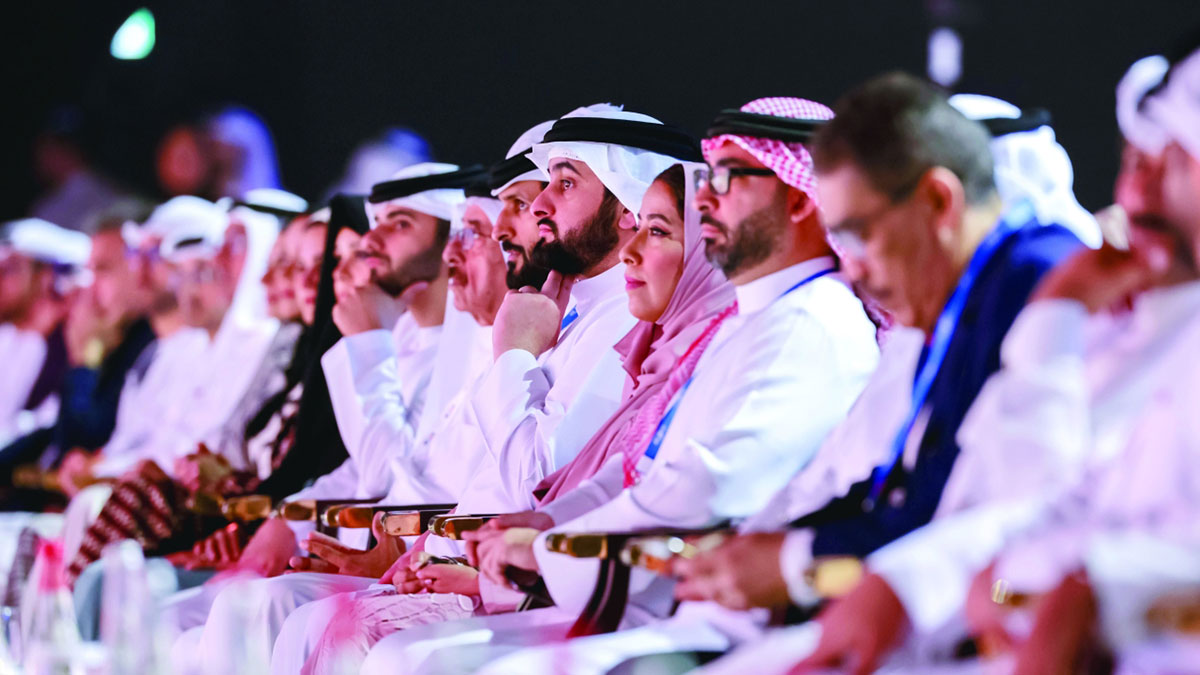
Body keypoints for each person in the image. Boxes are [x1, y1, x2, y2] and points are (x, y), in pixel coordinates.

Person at [411, 97, 879, 675]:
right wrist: (551, 522)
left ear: (801, 200)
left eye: (727, 179)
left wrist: (549, 547)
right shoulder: (750, 322)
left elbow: (703, 485)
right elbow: (643, 465)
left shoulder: (808, 323)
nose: (704, 200)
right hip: (656, 601)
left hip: (732, 625)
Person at [782, 47, 1200, 675]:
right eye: (1136, 162)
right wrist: (913, 588)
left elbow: (1030, 495)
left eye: (1178, 162)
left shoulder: (1037, 278)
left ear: (939, 203)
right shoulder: (1112, 312)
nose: (1140, 194)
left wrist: (1096, 591)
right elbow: (1054, 511)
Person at [0, 218, 90, 448]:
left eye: (8, 269)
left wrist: (34, 340)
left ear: (45, 277)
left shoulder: (68, 346)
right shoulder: (6, 337)